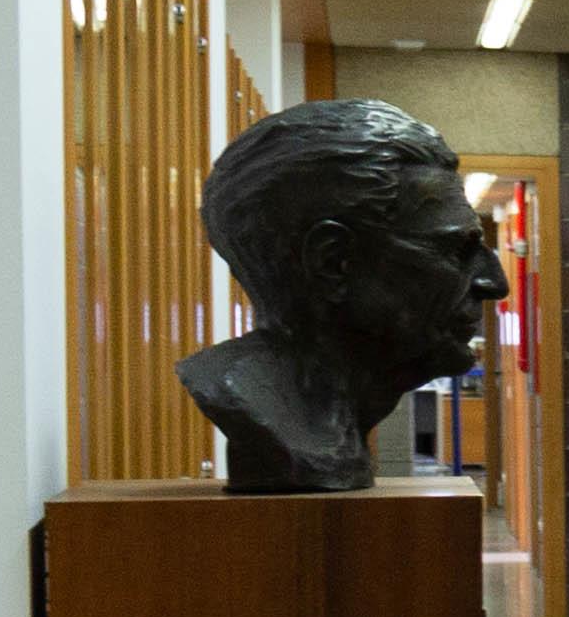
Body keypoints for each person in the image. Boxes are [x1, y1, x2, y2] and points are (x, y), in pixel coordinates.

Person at [179, 98, 503, 494]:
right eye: (453, 249)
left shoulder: (331, 418)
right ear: (333, 261)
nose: (493, 282)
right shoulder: (258, 406)